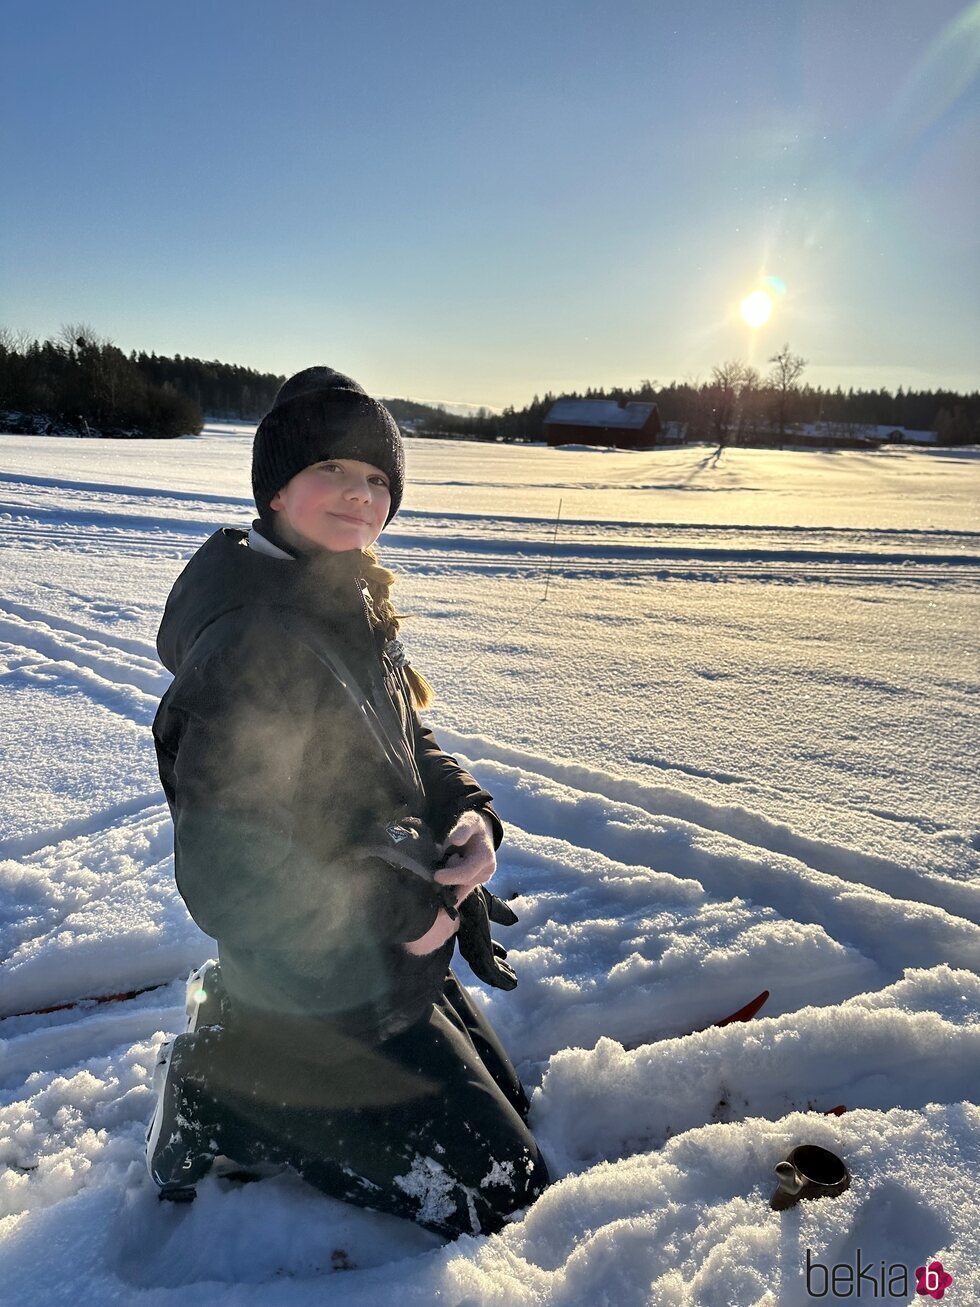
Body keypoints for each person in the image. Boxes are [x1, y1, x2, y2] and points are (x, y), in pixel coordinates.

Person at [146, 367, 550, 1239]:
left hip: (375, 953)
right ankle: (225, 1092)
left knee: (516, 1120)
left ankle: (263, 1040)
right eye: (335, 470)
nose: (360, 496)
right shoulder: (256, 640)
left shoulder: (345, 595)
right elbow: (225, 873)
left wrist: (468, 816)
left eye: (378, 480)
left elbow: (408, 742)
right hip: (309, 973)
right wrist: (394, 907)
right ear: (279, 487)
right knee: (504, 1190)